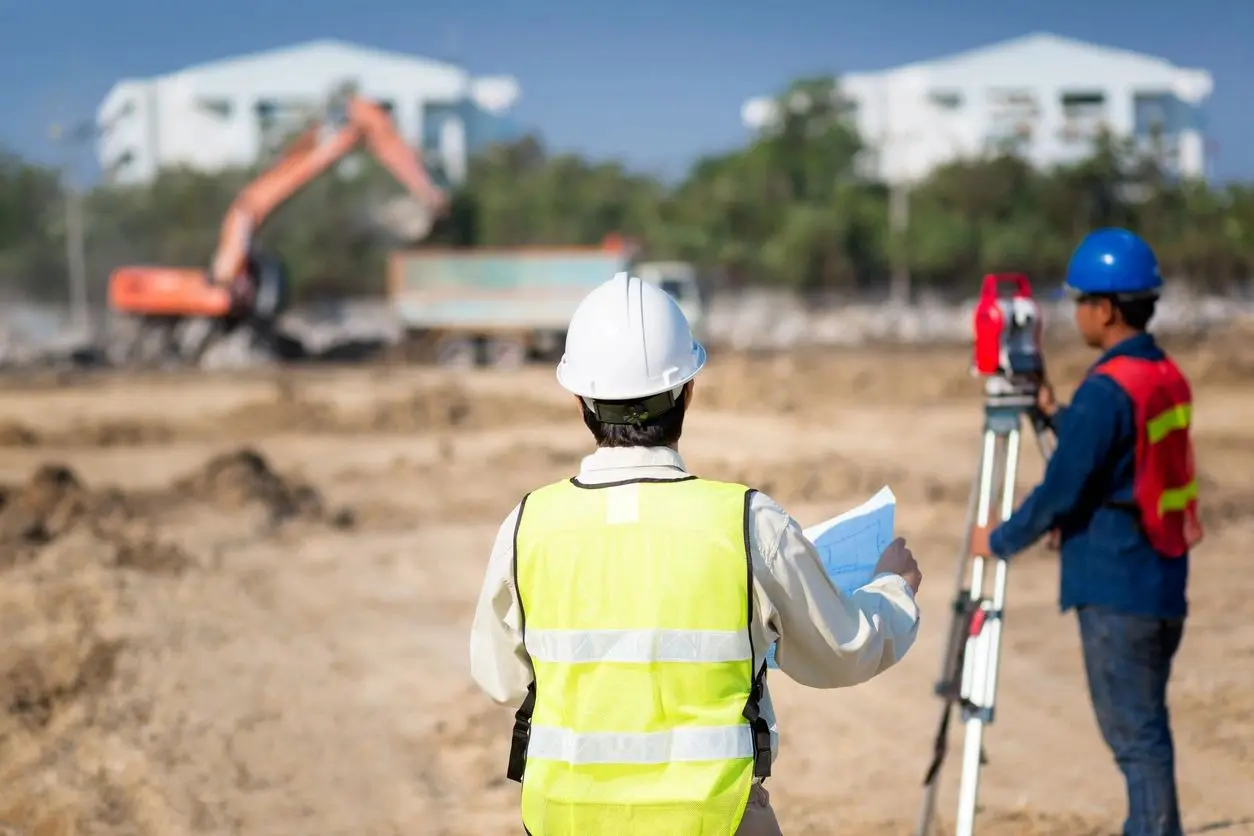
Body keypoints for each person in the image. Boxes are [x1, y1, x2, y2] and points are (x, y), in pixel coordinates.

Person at [469, 272, 923, 836]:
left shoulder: (527, 525)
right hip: (715, 819)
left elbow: (502, 680)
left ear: (580, 399)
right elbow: (843, 651)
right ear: (688, 390)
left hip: (566, 821)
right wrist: (892, 589)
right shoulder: (748, 523)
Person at [969, 228, 1201, 836]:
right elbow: (1117, 459)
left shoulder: (1106, 389)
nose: (1073, 315)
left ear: (1105, 307)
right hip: (1159, 575)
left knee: (1134, 736)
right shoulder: (1160, 374)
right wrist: (1052, 413)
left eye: (1079, 302)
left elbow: (1061, 490)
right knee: (1147, 727)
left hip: (1116, 586)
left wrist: (998, 540)